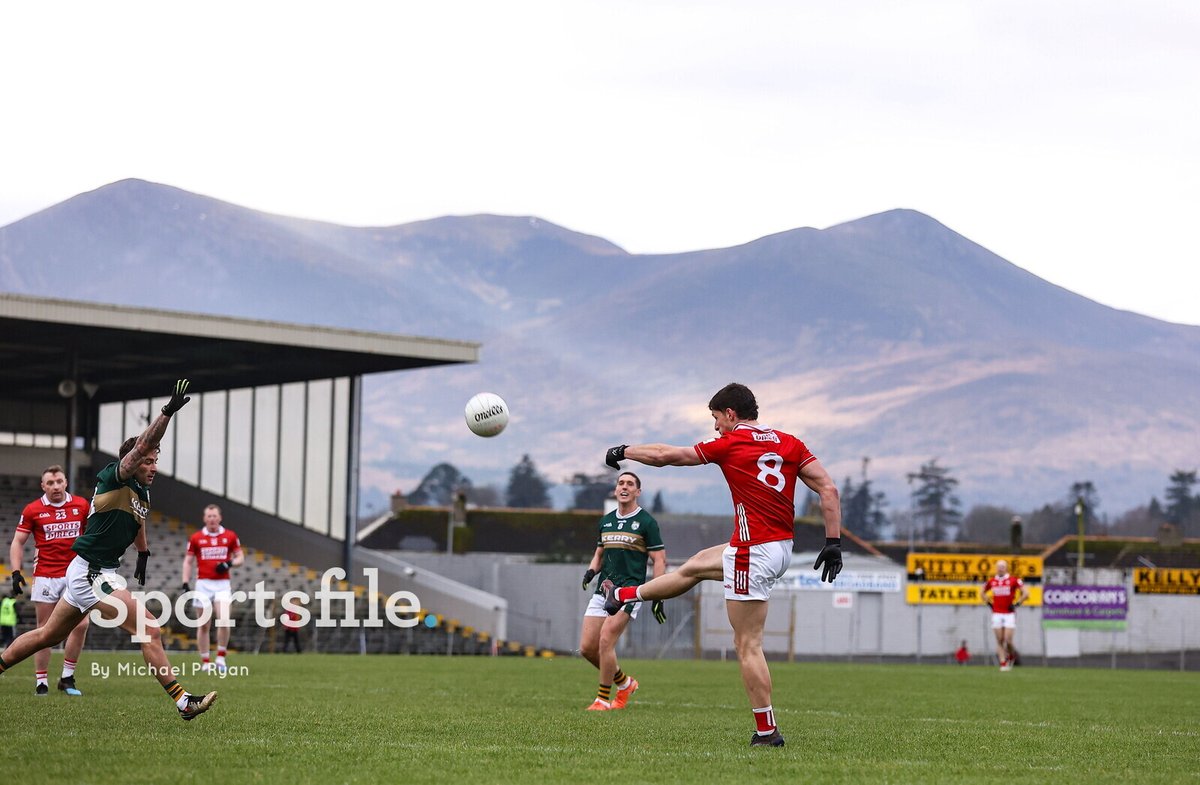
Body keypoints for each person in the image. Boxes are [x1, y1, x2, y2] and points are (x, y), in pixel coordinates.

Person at [602, 382, 842, 747]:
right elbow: (828, 488)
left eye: (716, 418)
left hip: (753, 550)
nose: (715, 427)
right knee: (696, 565)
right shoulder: (790, 442)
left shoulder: (731, 444)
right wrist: (833, 542)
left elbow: (667, 455)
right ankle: (624, 594)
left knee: (747, 644)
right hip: (778, 547)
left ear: (730, 414)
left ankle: (767, 732)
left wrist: (624, 450)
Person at [0, 379, 217, 720]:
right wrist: (166, 413)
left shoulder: (142, 493)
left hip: (96, 570)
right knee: (149, 629)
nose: (154, 466)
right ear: (133, 460)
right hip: (91, 572)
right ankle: (183, 701)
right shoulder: (115, 477)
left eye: (156, 460)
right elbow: (144, 443)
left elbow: (139, 522)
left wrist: (143, 554)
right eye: (149, 460)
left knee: (47, 635)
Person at [579, 471, 666, 711]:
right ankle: (625, 683)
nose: (624, 487)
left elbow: (659, 559)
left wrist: (657, 593)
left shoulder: (647, 522)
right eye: (621, 483)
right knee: (587, 648)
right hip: (603, 590)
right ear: (616, 490)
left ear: (638, 491)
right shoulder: (606, 520)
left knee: (605, 641)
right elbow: (599, 553)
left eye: (630, 484)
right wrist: (590, 572)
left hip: (629, 592)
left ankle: (602, 700)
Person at [8, 464, 92, 695]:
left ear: (66, 482)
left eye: (59, 482)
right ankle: (41, 681)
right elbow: (17, 542)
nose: (55, 486)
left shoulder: (81, 505)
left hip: (75, 574)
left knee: (81, 624)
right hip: (45, 575)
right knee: (44, 630)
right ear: (43, 486)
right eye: (50, 483)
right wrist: (16, 572)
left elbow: (91, 535)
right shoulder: (33, 510)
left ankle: (67, 678)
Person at [181, 504, 243, 672]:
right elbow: (188, 561)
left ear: (220, 518)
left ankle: (221, 657)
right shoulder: (196, 537)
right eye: (209, 516)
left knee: (224, 620)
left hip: (222, 585)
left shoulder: (230, 536)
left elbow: (240, 557)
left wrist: (229, 563)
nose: (212, 519)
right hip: (203, 584)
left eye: (214, 516)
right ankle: (206, 661)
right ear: (204, 519)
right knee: (203, 625)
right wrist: (185, 582)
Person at [981, 558, 1028, 671]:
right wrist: (989, 603)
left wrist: (1017, 604)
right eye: (999, 566)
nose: (1001, 568)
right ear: (996, 568)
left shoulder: (1013, 580)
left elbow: (1026, 593)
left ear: (1006, 568)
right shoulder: (992, 581)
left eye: (1003, 566)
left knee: (1008, 640)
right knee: (1000, 640)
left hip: (1009, 614)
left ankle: (1011, 655)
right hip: (996, 613)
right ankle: (1003, 663)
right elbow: (982, 592)